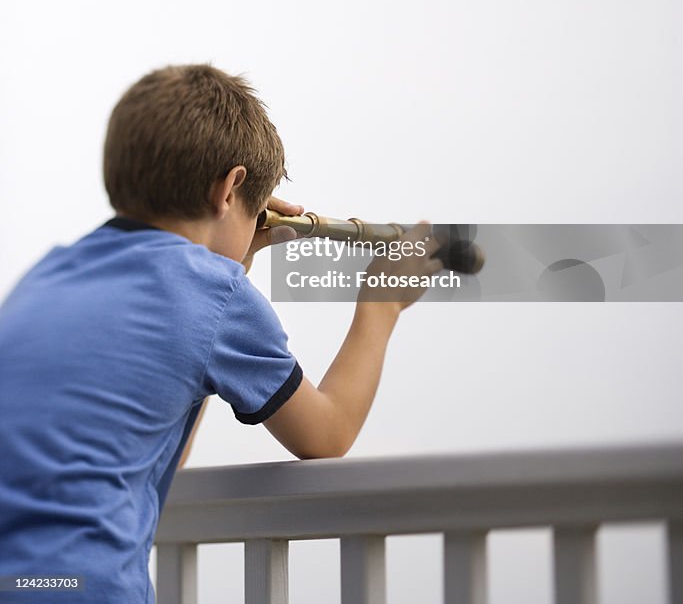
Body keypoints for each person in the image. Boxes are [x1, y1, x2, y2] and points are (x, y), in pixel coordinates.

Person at [0, 64, 441, 604]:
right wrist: (383, 304)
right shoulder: (212, 296)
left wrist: (234, 267)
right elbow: (326, 436)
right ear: (231, 188)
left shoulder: (51, 273)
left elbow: (151, 452)